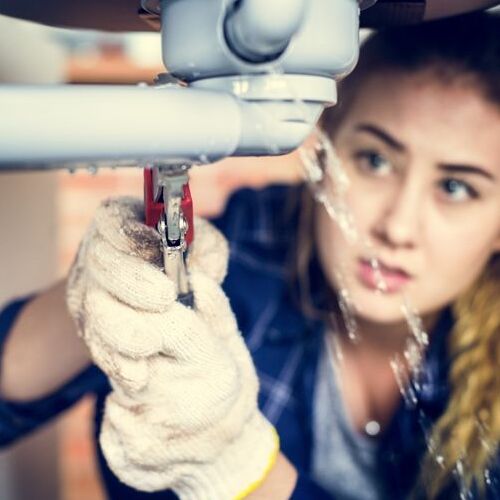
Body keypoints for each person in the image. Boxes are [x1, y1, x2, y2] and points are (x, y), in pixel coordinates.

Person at [1, 12, 500, 499]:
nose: (397, 226)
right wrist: (87, 301)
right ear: (325, 150)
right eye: (374, 160)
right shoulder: (244, 251)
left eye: (455, 188)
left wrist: (244, 472)